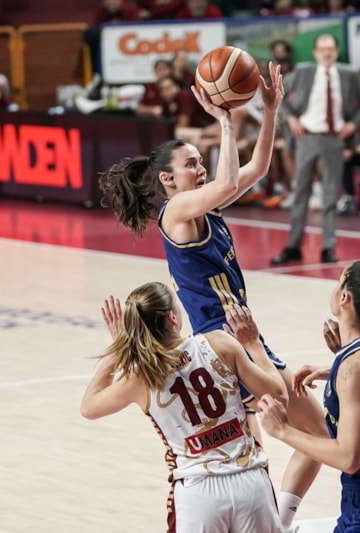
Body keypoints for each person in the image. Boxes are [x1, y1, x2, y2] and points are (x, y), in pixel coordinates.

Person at [97, 63, 327, 533]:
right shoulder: (177, 211)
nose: (200, 168)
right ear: (168, 180)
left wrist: (270, 111)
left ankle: (279, 520)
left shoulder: (207, 206)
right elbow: (226, 183)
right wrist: (225, 120)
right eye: (191, 164)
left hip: (241, 336)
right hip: (218, 345)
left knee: (306, 436)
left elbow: (256, 169)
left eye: (201, 161)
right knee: (268, 445)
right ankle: (270, 520)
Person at [81, 287, 287, 532]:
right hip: (250, 482)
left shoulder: (141, 376)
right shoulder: (220, 343)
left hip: (198, 492)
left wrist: (117, 352)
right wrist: (254, 345)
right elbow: (279, 395)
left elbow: (88, 407)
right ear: (172, 317)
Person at [256, 258, 360, 532]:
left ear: (345, 297)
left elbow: (348, 458)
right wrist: (331, 369)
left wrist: (283, 430)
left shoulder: (355, 369)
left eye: (338, 282)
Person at [271, 34, 360, 265]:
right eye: (322, 49)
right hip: (307, 135)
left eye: (330, 49)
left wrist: (354, 124)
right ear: (315, 52)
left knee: (330, 196)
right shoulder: (304, 71)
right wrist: (291, 118)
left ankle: (328, 247)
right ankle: (293, 246)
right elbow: (279, 93)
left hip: (334, 137)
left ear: (336, 52)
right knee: (301, 192)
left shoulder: (349, 74)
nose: (326, 53)